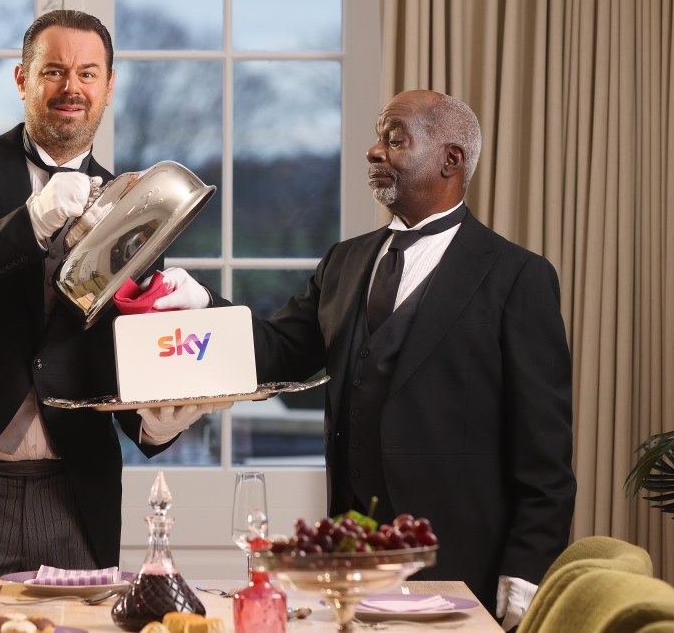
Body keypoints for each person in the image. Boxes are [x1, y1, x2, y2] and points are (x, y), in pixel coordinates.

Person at [0, 9, 219, 578]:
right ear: (22, 79)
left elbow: (125, 345)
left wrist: (156, 421)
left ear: (109, 87)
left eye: (89, 73)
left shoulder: (136, 207)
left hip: (75, 498)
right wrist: (33, 218)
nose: (72, 87)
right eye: (54, 71)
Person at [247, 90, 577, 629]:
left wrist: (525, 571)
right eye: (378, 139)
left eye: (394, 139)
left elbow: (546, 456)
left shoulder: (519, 277)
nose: (373, 152)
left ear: (451, 160)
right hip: (354, 564)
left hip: (463, 567)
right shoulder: (344, 261)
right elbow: (277, 351)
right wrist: (198, 309)